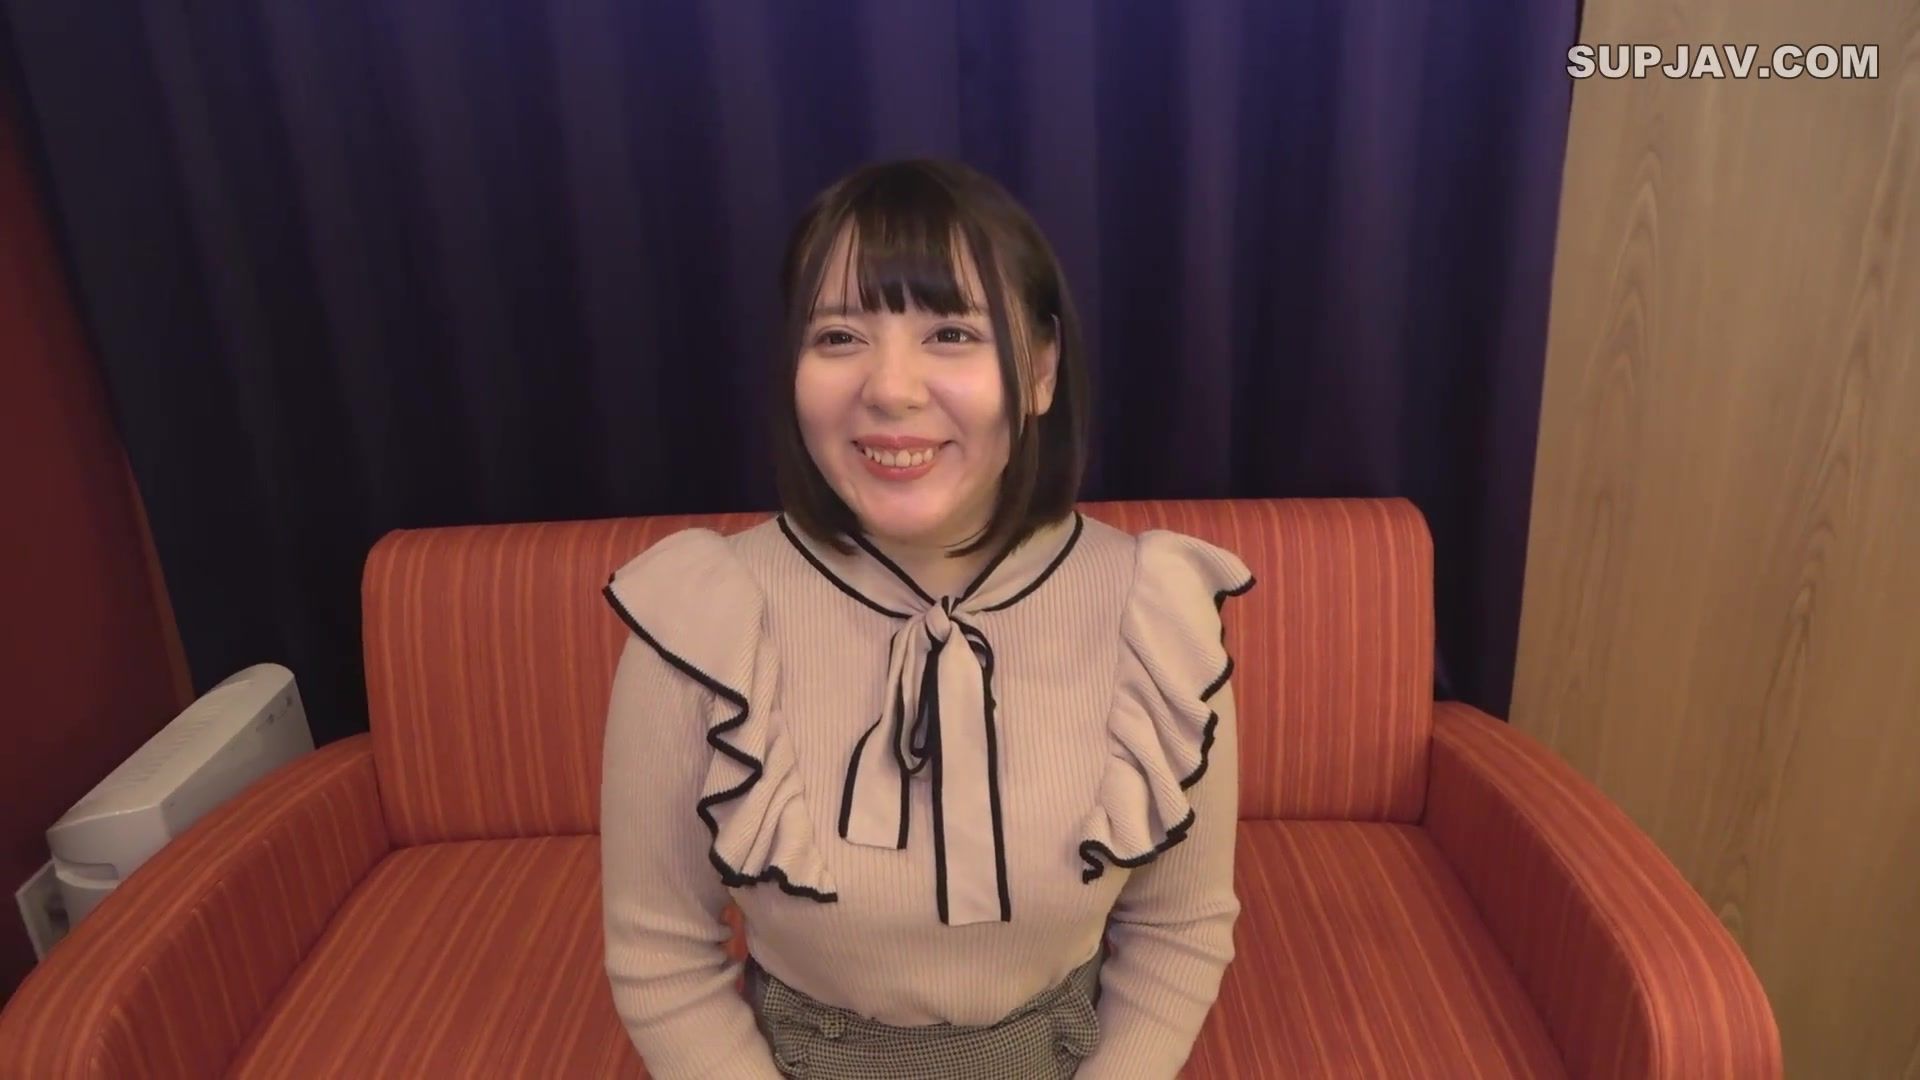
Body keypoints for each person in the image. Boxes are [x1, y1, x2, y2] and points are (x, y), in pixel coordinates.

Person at [599, 159, 1254, 1079]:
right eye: (839, 336)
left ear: (1041, 369)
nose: (891, 390)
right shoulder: (700, 621)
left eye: (950, 333)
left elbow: (1179, 928)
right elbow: (661, 955)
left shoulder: (1157, 615)